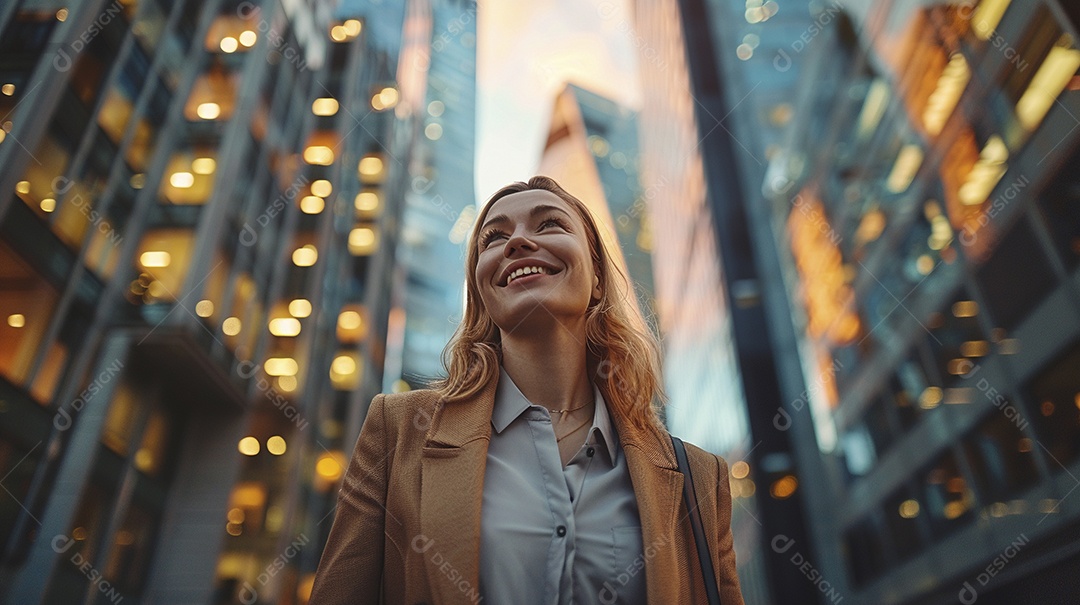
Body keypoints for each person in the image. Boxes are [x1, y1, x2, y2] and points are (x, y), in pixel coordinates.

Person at [309, 176, 744, 604]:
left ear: (596, 276)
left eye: (549, 224)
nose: (517, 242)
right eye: (494, 238)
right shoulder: (399, 431)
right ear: (482, 291)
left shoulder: (698, 478)